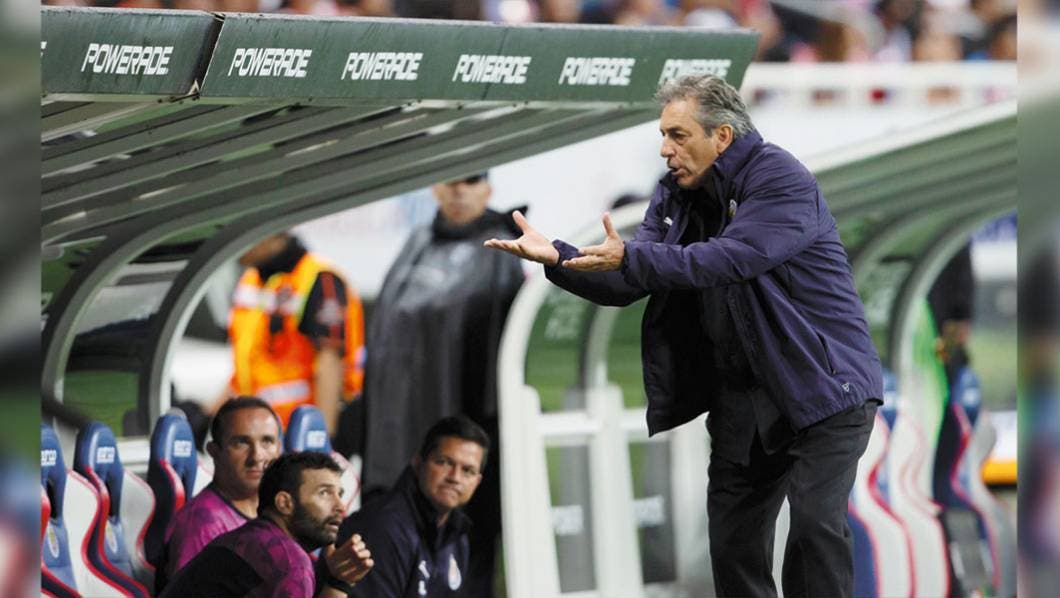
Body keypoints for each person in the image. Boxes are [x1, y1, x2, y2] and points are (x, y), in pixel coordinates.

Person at [485, 74, 883, 598]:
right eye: (663, 135)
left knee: (814, 528)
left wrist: (631, 256)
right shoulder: (674, 194)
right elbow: (629, 276)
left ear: (722, 136)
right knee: (734, 547)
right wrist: (559, 256)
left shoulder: (781, 178)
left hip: (823, 388)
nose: (665, 149)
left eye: (677, 135)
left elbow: (731, 258)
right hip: (743, 400)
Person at [362, 172, 523, 594]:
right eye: (452, 180)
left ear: (488, 189)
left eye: (472, 180)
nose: (460, 189)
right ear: (435, 187)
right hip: (396, 438)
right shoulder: (417, 242)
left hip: (461, 434)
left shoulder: (498, 252)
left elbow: (492, 362)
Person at [161, 451, 374, 598]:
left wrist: (338, 581)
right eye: (324, 493)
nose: (340, 506)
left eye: (340, 494)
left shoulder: (253, 538)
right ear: (285, 503)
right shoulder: (288, 560)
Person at [224, 231, 365, 437]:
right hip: (262, 430)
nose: (234, 242)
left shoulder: (319, 277)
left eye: (244, 232)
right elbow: (246, 365)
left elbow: (330, 362)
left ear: (273, 234)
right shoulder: (250, 280)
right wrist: (208, 416)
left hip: (301, 430)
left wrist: (322, 436)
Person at [333, 415, 489, 597]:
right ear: (418, 462)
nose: (455, 478)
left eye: (468, 471)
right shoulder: (384, 527)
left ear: (477, 481)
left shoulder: (457, 534)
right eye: (444, 462)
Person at [155, 396, 284, 592]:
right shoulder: (201, 525)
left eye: (267, 441)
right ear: (214, 451)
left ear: (279, 449)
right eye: (241, 443)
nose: (257, 456)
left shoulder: (279, 511)